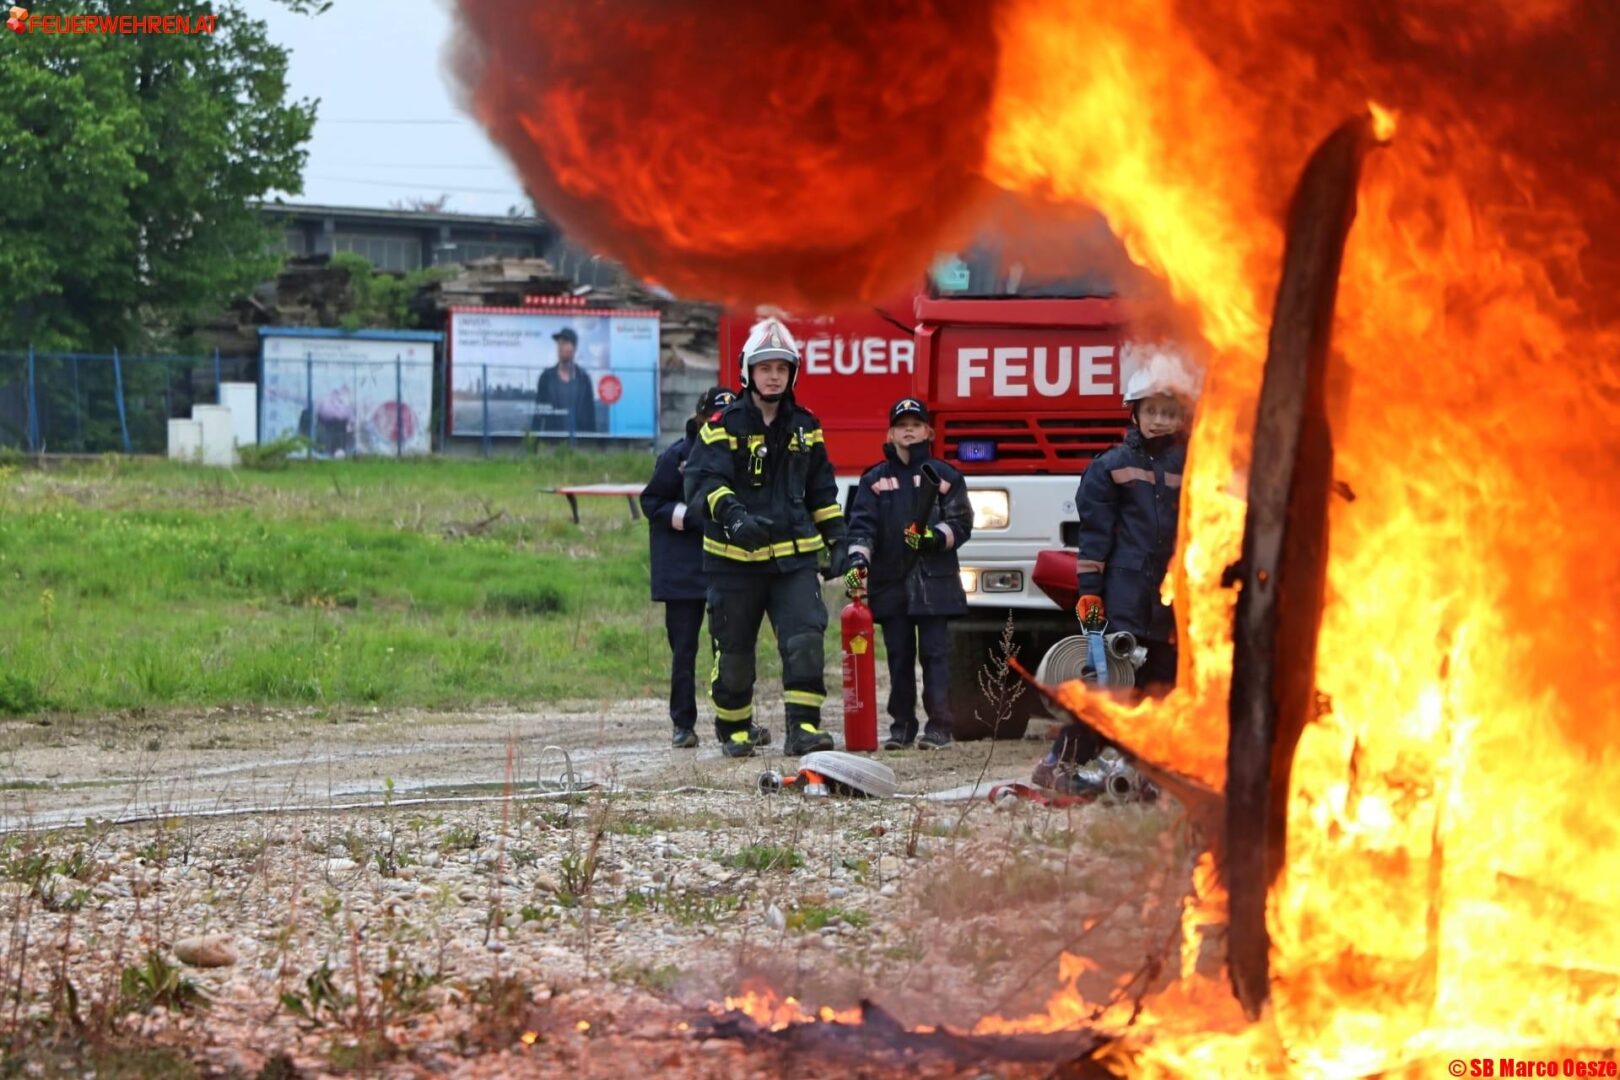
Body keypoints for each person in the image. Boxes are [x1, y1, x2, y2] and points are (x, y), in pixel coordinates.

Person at [1033, 347, 1199, 792]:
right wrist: (1090, 593)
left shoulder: (1194, 468)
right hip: (1124, 601)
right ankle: (1058, 765)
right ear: (1135, 413)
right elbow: (1095, 538)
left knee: (1162, 691)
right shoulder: (1111, 467)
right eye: (1153, 411)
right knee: (1109, 693)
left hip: (1170, 607)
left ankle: (1146, 774)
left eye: (1169, 412)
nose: (1160, 420)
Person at [684, 317, 847, 758]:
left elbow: (821, 490)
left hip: (792, 562)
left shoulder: (806, 426)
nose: (773, 375)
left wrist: (838, 538)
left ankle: (804, 729)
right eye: (764, 367)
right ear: (748, 372)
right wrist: (736, 520)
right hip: (733, 560)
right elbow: (703, 483)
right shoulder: (722, 423)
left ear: (792, 373)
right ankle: (734, 730)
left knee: (805, 641)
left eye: (781, 367)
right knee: (734, 650)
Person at [843, 398, 973, 751]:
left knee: (935, 657)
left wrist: (931, 538)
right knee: (899, 658)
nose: (909, 430)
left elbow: (962, 523)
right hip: (890, 585)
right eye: (902, 424)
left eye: (916, 423)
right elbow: (860, 529)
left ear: (929, 431)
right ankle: (901, 727)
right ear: (891, 433)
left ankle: (940, 728)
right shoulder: (874, 480)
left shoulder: (945, 476)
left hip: (935, 585)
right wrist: (856, 567)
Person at [640, 386, 738, 749]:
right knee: (684, 652)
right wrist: (687, 517)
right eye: (714, 418)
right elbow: (651, 500)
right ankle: (683, 724)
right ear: (699, 418)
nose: (720, 425)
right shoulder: (677, 457)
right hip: (682, 574)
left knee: (730, 650)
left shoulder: (738, 456)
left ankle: (734, 722)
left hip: (726, 568)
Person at [533, 327, 598, 434]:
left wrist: (592, 446)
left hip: (579, 443)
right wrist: (533, 445)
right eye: (559, 344)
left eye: (564, 343)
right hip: (552, 443)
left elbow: (590, 417)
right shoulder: (546, 377)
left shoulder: (584, 379)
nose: (560, 347)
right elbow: (538, 415)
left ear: (574, 348)